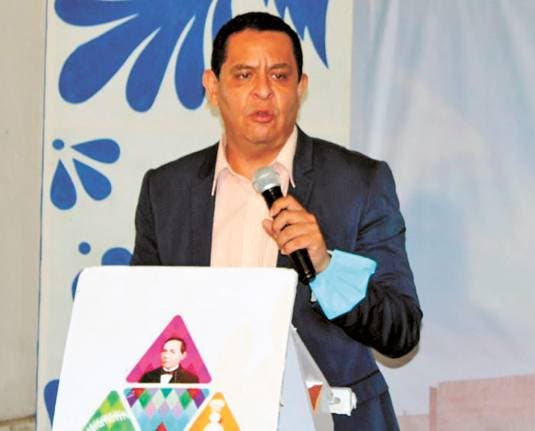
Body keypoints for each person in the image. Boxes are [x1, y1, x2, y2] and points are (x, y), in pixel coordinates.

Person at [131, 11, 421, 429]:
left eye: (280, 76)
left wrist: (327, 267)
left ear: (301, 87)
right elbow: (144, 322)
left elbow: (402, 332)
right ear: (212, 86)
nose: (263, 91)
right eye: (244, 75)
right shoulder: (166, 191)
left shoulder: (360, 183)